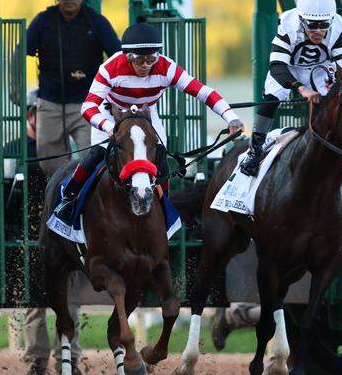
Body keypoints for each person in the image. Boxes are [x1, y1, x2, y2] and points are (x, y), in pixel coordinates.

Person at [53, 19, 245, 223]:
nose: (145, 65)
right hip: (112, 114)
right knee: (96, 155)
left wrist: (230, 117)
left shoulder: (166, 67)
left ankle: (164, 207)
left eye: (151, 58)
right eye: (138, 59)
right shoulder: (110, 68)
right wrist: (109, 128)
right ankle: (69, 197)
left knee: (160, 157)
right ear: (127, 56)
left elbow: (202, 92)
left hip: (146, 115)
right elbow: (88, 107)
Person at [239, 0, 342, 192]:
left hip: (320, 68)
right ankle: (254, 151)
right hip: (288, 67)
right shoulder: (288, 24)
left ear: (331, 20)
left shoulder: (338, 25)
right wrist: (301, 89)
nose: (318, 31)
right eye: (312, 25)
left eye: (323, 25)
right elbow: (277, 67)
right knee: (271, 99)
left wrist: (338, 89)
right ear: (302, 20)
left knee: (338, 104)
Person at [6, 89, 84, 375]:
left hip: (63, 235)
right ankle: (36, 364)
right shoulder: (14, 150)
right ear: (30, 115)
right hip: (27, 236)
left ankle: (70, 360)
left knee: (70, 300)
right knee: (33, 302)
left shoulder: (72, 152)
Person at [25, 0, 121, 178]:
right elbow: (20, 52)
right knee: (51, 166)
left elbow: (118, 57)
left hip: (89, 103)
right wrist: (15, 87)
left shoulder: (96, 22)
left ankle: (88, 202)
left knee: (96, 156)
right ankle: (63, 202)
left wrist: (116, 95)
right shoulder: (42, 21)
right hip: (50, 104)